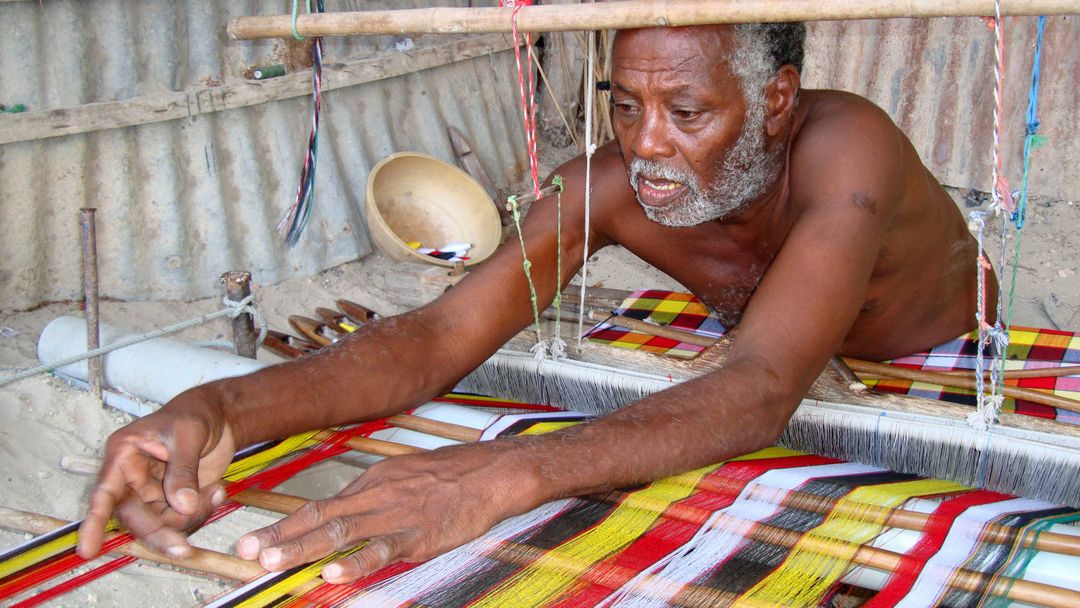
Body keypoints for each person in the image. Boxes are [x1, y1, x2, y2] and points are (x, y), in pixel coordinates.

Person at [77, 23, 995, 584]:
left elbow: (759, 383)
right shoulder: (608, 186)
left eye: (687, 110)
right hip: (783, 350)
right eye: (625, 105)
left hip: (945, 367)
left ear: (777, 102)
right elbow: (438, 335)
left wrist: (499, 475)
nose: (648, 146)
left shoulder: (850, 151)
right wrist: (214, 405)